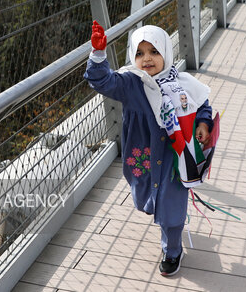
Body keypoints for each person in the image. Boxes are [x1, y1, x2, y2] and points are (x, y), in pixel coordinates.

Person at [84, 22, 214, 276]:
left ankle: (172, 249)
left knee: (171, 207)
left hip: (175, 156)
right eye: (140, 53)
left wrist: (203, 123)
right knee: (148, 198)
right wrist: (98, 55)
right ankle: (168, 226)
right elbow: (102, 82)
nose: (147, 59)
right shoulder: (130, 83)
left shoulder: (181, 82)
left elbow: (202, 105)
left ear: (166, 52)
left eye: (154, 51)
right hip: (145, 153)